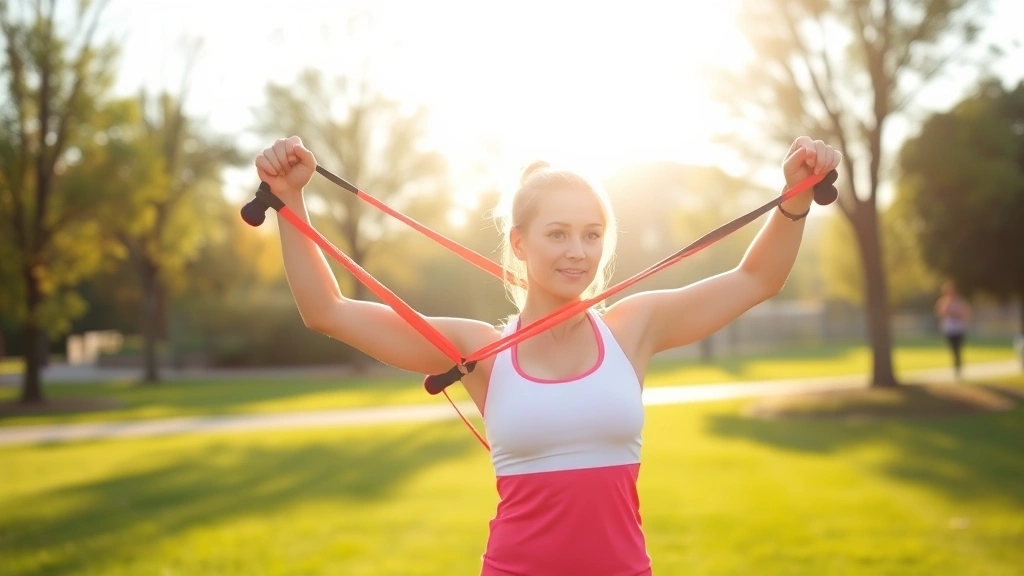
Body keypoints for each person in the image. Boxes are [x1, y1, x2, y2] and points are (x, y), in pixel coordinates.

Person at [254, 134, 842, 576]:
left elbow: (755, 279)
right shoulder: (478, 349)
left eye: (592, 234)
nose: (577, 252)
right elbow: (326, 311)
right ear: (519, 242)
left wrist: (794, 199)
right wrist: (290, 202)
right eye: (557, 233)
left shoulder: (633, 328)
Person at [935, 281, 972, 381]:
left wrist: (954, 313)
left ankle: (958, 369)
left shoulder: (960, 302)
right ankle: (956, 368)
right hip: (949, 329)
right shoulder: (943, 302)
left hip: (959, 329)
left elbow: (964, 314)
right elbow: (940, 313)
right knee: (953, 349)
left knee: (958, 349)